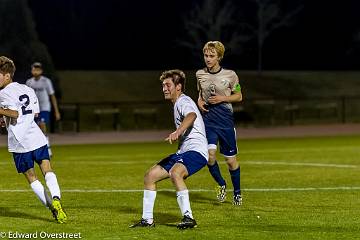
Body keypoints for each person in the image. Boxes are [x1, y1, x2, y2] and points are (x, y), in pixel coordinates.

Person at [130, 69, 208, 229]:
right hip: (184, 152)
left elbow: (191, 115)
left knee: (175, 172)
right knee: (150, 176)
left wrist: (178, 131)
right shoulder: (177, 103)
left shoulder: (183, 101)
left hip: (197, 151)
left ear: (178, 86)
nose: (164, 88)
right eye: (163, 85)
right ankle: (147, 220)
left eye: (167, 85)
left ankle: (188, 217)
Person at [0, 56, 67, 223]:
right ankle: (57, 198)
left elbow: (14, 113)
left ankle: (53, 209)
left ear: (7, 75)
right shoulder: (27, 88)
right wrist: (5, 118)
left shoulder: (3, 93)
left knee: (32, 177)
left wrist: (2, 112)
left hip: (20, 141)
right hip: (36, 136)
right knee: (48, 170)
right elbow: (34, 113)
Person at [196, 41, 243, 205]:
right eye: (206, 55)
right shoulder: (200, 74)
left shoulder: (230, 75)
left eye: (211, 56)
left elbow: (239, 96)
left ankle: (237, 192)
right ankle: (221, 184)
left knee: (230, 161)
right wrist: (199, 101)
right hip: (208, 120)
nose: (208, 59)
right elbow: (200, 94)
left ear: (219, 57)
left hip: (225, 121)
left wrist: (223, 98)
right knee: (209, 156)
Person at [26, 62, 61, 157]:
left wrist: (56, 111)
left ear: (41, 71)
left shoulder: (46, 81)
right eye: (34, 69)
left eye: (38, 69)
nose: (36, 71)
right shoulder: (29, 82)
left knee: (42, 125)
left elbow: (52, 96)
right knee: (34, 130)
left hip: (45, 108)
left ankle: (48, 149)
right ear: (32, 70)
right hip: (33, 110)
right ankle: (36, 150)